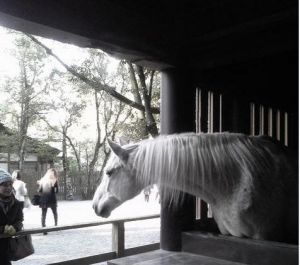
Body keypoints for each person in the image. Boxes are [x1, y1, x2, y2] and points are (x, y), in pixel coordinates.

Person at [0, 168, 23, 265]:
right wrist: (2, 229)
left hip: (6, 249)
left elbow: (20, 220)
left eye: (10, 184)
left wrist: (15, 227)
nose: (9, 188)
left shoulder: (16, 203)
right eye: (5, 185)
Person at [38, 168, 58, 233]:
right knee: (54, 213)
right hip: (52, 199)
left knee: (43, 214)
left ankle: (44, 229)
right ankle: (56, 226)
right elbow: (56, 191)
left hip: (44, 199)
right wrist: (52, 186)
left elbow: (39, 191)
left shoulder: (43, 180)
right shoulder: (54, 180)